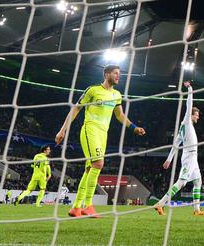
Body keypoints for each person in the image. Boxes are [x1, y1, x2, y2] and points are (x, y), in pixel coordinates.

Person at [55, 64, 146, 218]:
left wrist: (134, 127)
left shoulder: (117, 94)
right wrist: (62, 130)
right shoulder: (92, 90)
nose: (119, 76)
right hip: (90, 130)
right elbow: (76, 108)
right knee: (98, 164)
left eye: (119, 74)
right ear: (106, 74)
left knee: (90, 169)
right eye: (116, 73)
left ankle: (76, 207)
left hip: (103, 134)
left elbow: (120, 116)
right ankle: (88, 205)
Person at [154, 81, 204, 217]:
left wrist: (169, 160)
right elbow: (189, 104)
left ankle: (197, 210)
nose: (198, 116)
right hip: (189, 157)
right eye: (196, 114)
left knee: (198, 182)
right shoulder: (187, 122)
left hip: (193, 158)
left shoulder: (182, 130)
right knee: (182, 183)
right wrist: (190, 88)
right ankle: (160, 203)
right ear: (191, 115)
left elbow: (175, 145)